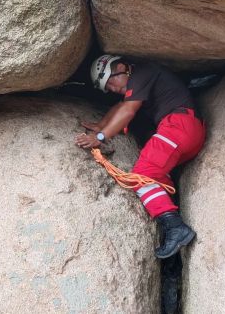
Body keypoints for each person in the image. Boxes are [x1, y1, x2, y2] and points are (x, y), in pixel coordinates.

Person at [74, 54, 205, 259]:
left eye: (111, 81)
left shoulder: (142, 72)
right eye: (108, 89)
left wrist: (100, 136)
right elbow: (120, 106)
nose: (114, 89)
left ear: (121, 67)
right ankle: (172, 223)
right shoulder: (139, 82)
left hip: (178, 126)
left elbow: (127, 110)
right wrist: (101, 125)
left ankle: (175, 228)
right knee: (157, 176)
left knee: (141, 175)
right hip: (186, 131)